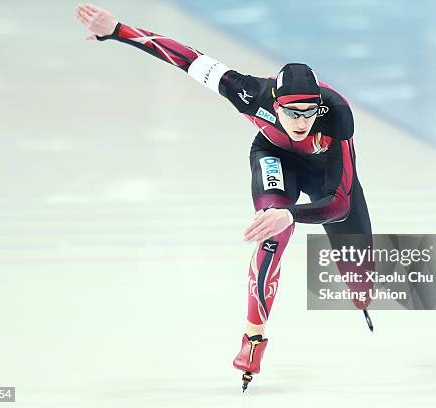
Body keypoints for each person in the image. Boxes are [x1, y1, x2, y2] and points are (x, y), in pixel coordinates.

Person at [75, 3, 373, 392]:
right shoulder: (248, 92)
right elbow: (187, 58)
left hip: (328, 177)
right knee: (272, 228)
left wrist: (294, 214)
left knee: (362, 280)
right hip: (273, 158)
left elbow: (339, 203)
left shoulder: (336, 117)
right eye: (292, 112)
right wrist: (117, 30)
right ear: (274, 104)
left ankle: (362, 294)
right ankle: (253, 338)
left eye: (309, 112)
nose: (302, 122)